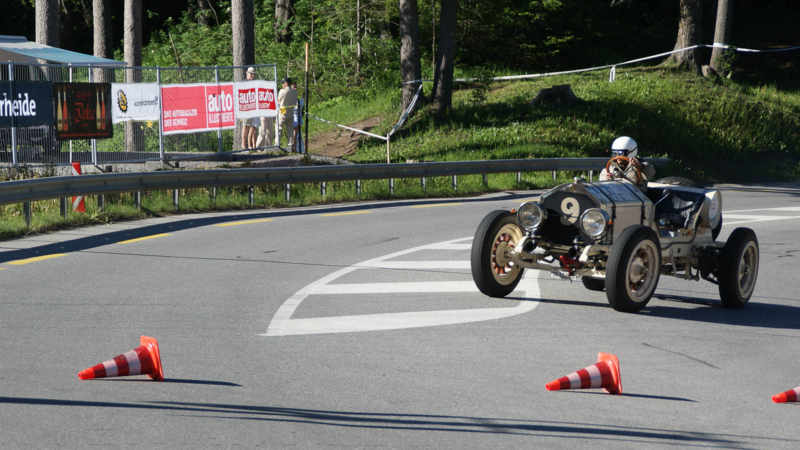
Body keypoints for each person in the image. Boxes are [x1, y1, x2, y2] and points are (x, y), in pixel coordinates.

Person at [277, 77, 297, 152]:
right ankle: (290, 143)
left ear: (286, 84)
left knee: (279, 127)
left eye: (283, 83)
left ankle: (277, 142)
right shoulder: (295, 92)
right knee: (290, 129)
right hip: (291, 111)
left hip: (283, 110)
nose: (282, 84)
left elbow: (279, 100)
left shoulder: (282, 91)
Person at [241, 67, 259, 150]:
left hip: (254, 107)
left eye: (253, 73)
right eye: (250, 73)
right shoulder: (243, 83)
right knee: (245, 126)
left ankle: (251, 145)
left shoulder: (256, 83)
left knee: (253, 127)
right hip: (245, 107)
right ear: (246, 73)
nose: (252, 75)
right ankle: (244, 145)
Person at [291, 80, 305, 153]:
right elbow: (295, 107)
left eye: (296, 87)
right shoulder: (291, 97)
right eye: (294, 87)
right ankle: (294, 149)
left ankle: (300, 148)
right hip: (295, 118)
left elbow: (300, 106)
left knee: (298, 134)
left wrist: (303, 98)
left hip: (298, 117)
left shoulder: (296, 97)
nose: (295, 89)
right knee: (295, 134)